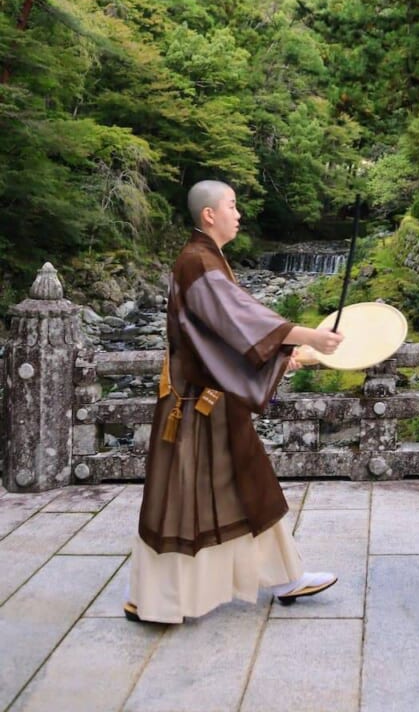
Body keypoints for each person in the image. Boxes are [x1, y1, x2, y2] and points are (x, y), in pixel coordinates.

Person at [125, 179, 343, 624]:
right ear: (209, 214)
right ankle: (157, 598)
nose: (238, 213)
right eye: (232, 205)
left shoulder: (205, 258)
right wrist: (307, 336)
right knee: (184, 501)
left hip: (212, 401)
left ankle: (285, 577)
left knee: (249, 486)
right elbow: (240, 320)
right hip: (194, 408)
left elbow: (221, 334)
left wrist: (289, 357)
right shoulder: (196, 261)